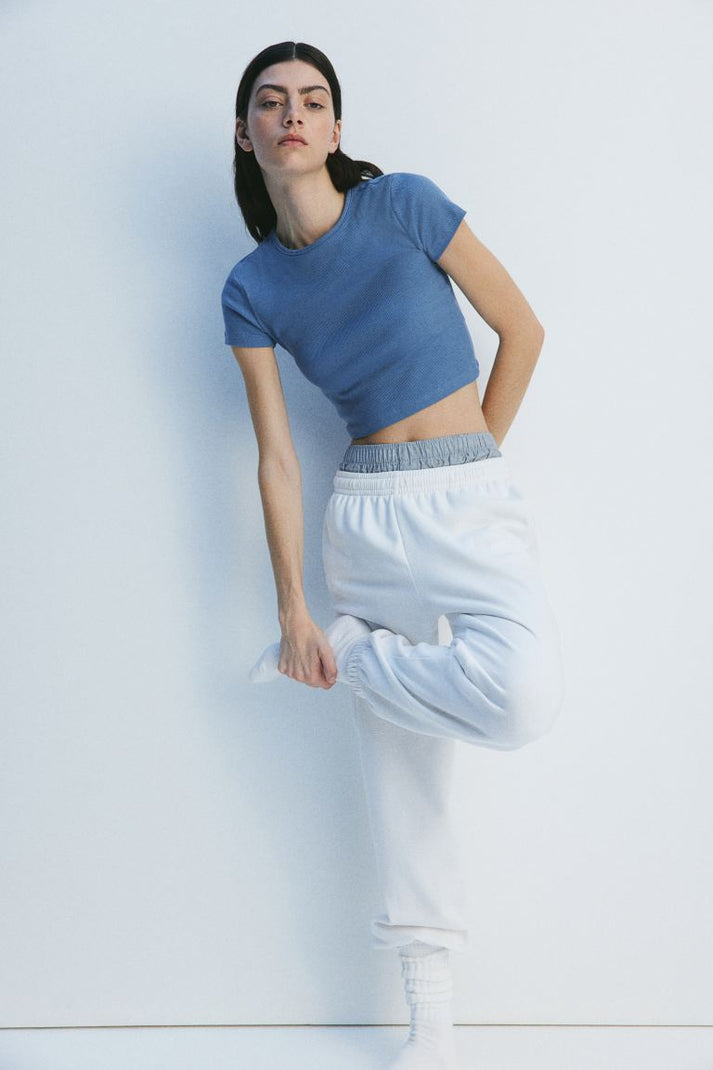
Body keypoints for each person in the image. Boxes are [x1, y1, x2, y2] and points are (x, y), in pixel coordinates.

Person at [220, 39, 565, 1070]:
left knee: (523, 698)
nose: (291, 114)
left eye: (311, 100)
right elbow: (277, 461)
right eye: (270, 102)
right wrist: (292, 609)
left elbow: (522, 329)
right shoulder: (250, 286)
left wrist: (477, 460)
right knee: (401, 775)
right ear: (244, 133)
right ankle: (432, 1018)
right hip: (365, 514)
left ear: (336, 128)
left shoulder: (404, 204)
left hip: (467, 495)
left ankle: (355, 660)